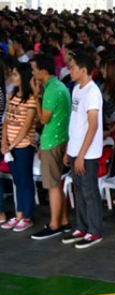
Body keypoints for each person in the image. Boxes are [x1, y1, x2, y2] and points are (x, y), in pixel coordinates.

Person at [60, 53, 105, 249]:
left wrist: (80, 155)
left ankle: (94, 231)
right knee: (78, 190)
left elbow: (93, 126)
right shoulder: (77, 89)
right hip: (76, 148)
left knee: (89, 192)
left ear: (84, 70)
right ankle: (82, 226)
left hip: (87, 153)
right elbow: (76, 122)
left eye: (73, 68)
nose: (70, 71)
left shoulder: (92, 92)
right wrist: (70, 149)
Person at [29, 54, 72, 239]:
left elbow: (44, 119)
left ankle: (54, 224)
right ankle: (62, 221)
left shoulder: (51, 90)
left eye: (34, 69)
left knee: (52, 185)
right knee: (56, 183)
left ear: (43, 71)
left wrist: (36, 97)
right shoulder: (58, 86)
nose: (32, 73)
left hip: (53, 140)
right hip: (59, 138)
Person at [0, 63, 38, 232]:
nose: (12, 77)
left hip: (24, 145)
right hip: (10, 146)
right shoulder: (11, 96)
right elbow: (7, 121)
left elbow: (26, 126)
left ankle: (27, 216)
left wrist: (11, 145)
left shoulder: (31, 100)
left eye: (15, 75)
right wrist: (4, 143)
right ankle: (20, 213)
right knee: (17, 179)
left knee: (25, 180)